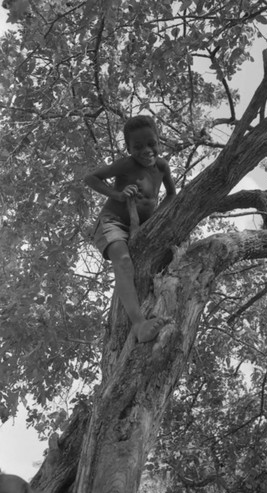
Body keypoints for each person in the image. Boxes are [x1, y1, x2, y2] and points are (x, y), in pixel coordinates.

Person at [84, 115, 176, 343]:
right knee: (124, 262)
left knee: (160, 263)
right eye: (138, 146)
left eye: (151, 143)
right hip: (112, 222)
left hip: (142, 227)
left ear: (159, 140)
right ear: (128, 148)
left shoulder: (162, 166)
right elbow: (91, 178)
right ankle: (138, 324)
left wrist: (157, 219)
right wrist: (117, 194)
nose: (146, 150)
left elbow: (172, 195)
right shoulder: (126, 164)